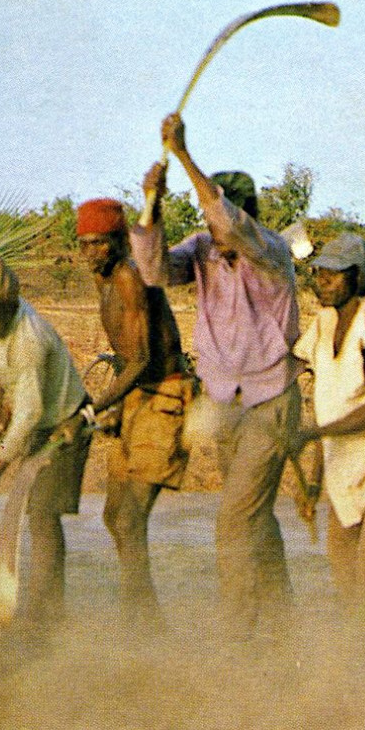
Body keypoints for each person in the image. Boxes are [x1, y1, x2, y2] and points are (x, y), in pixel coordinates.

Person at [130, 113, 301, 639]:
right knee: (254, 516)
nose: (216, 226)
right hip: (227, 400)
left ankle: (237, 635)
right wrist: (153, 204)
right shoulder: (200, 250)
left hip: (272, 400)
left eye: (227, 211)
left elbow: (227, 224)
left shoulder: (270, 250)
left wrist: (182, 155)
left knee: (235, 519)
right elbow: (154, 271)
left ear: (247, 215)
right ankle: (280, 623)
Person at [77, 194, 190, 626]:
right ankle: (142, 617)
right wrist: (115, 409)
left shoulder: (128, 278)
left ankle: (142, 623)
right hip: (138, 397)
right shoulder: (105, 277)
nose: (91, 254)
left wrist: (92, 408)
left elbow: (142, 358)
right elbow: (126, 358)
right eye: (84, 244)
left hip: (163, 394)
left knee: (128, 518)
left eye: (99, 244)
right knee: (114, 516)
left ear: (119, 241)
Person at [0, 259, 93, 628]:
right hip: (35, 419)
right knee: (33, 513)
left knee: (42, 515)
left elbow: (28, 418)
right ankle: (38, 611)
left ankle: (44, 617)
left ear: (11, 309)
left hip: (63, 422)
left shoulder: (29, 341)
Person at [286, 234, 365, 607]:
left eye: (333, 275)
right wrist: (314, 480)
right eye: (319, 273)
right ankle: (360, 645)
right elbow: (329, 402)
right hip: (344, 452)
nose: (321, 281)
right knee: (341, 556)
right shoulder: (324, 322)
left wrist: (314, 433)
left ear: (357, 277)